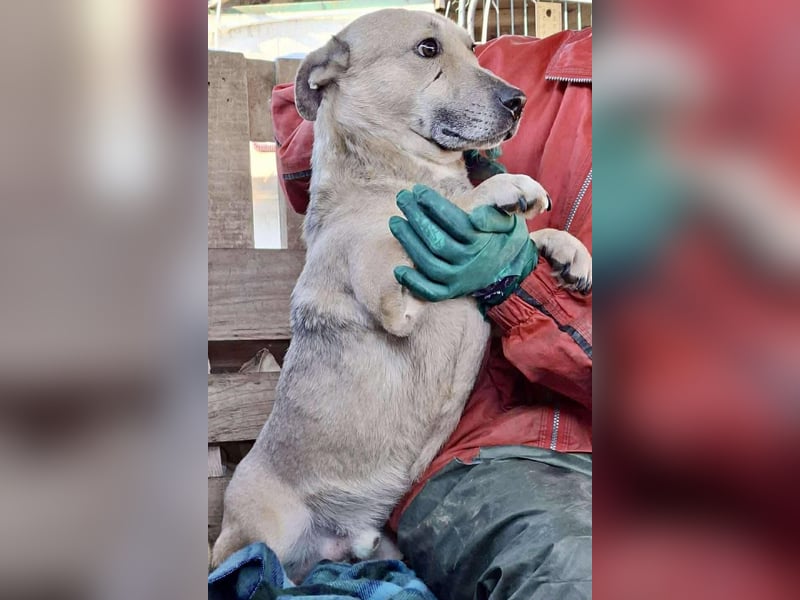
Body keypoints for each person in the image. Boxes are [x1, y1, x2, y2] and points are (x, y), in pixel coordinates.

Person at [271, 27, 592, 600]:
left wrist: (520, 282)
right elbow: (308, 150)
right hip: (491, 453)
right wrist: (373, 123)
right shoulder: (511, 66)